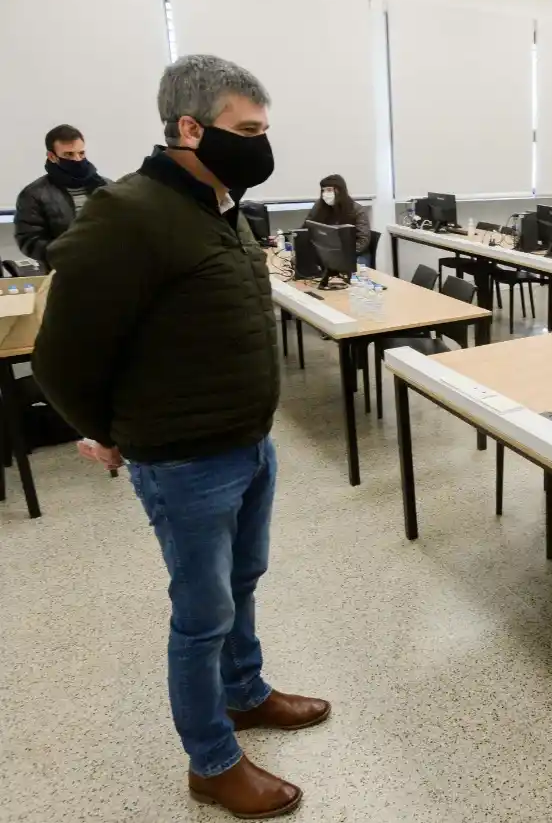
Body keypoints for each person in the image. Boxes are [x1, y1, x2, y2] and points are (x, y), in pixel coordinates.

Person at [33, 54, 328, 820]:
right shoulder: (128, 212)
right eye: (248, 130)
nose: (262, 145)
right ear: (189, 129)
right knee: (202, 616)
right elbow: (60, 355)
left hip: (248, 442)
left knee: (243, 581)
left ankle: (245, 691)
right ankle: (212, 761)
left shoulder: (222, 206)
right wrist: (107, 432)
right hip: (184, 460)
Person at [13, 124, 111, 270]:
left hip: (109, 269)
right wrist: (68, 253)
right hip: (63, 272)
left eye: (81, 153)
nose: (77, 159)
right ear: (52, 156)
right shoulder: (34, 194)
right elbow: (29, 240)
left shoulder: (107, 187)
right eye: (68, 155)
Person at [304, 173, 371, 263]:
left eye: (329, 190)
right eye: (323, 190)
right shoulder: (319, 207)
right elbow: (306, 228)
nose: (325, 194)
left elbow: (363, 240)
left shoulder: (357, 210)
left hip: (356, 254)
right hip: (328, 253)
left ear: (340, 190)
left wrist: (342, 255)